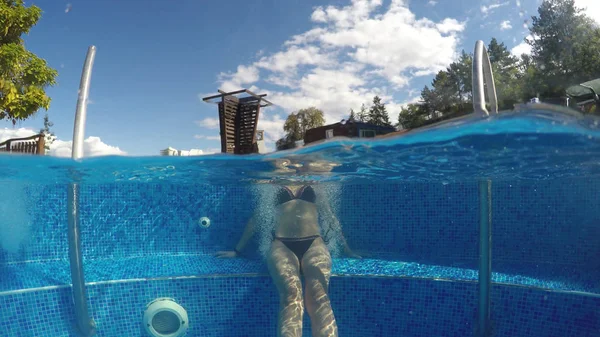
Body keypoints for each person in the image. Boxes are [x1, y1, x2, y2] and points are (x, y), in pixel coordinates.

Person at [215, 158, 360, 337]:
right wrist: (237, 251)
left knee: (320, 295)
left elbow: (330, 218)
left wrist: (346, 249)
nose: (292, 164)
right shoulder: (272, 185)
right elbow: (256, 219)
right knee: (291, 295)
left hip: (314, 243)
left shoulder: (315, 183)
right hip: (281, 245)